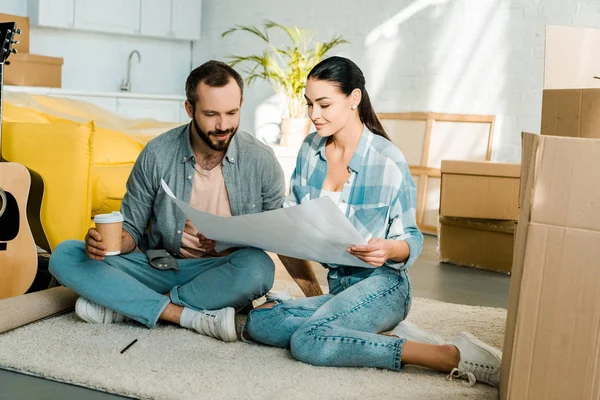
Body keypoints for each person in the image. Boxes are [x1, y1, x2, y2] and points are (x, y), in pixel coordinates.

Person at [244, 56, 502, 387]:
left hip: (383, 284)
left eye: (324, 104)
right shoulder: (310, 150)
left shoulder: (387, 159)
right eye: (310, 104)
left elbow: (413, 237)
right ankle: (372, 328)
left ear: (354, 99)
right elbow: (294, 212)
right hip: (339, 286)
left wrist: (389, 249)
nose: (313, 114)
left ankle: (445, 355)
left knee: (309, 341)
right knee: (261, 323)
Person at [49, 60, 286, 342]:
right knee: (66, 255)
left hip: (221, 270)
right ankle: (184, 314)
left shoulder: (261, 160)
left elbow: (274, 234)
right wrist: (105, 245)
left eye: (232, 113)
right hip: (161, 267)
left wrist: (228, 243)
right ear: (189, 109)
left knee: (259, 268)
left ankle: (130, 306)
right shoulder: (157, 153)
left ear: (241, 104)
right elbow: (132, 231)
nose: (223, 125)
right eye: (211, 114)